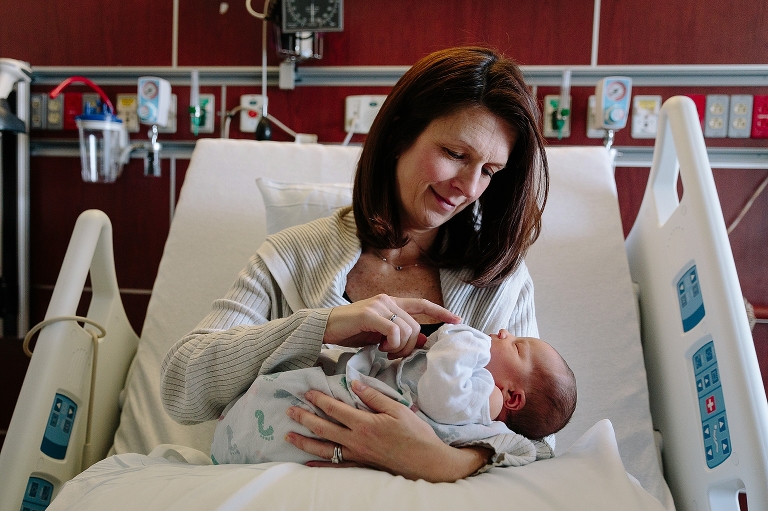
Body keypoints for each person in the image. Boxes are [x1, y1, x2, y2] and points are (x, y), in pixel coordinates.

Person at [160, 45, 549, 482]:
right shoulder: (291, 256)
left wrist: (445, 462)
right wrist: (320, 326)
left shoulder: (499, 279)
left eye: (490, 171)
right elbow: (181, 388)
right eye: (456, 154)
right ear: (401, 134)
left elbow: (539, 437)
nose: (468, 186)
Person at [209, 324, 576, 465]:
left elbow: (440, 392)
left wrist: (465, 339)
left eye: (518, 345)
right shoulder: (484, 388)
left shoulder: (486, 398)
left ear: (512, 398)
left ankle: (239, 443)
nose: (503, 331)